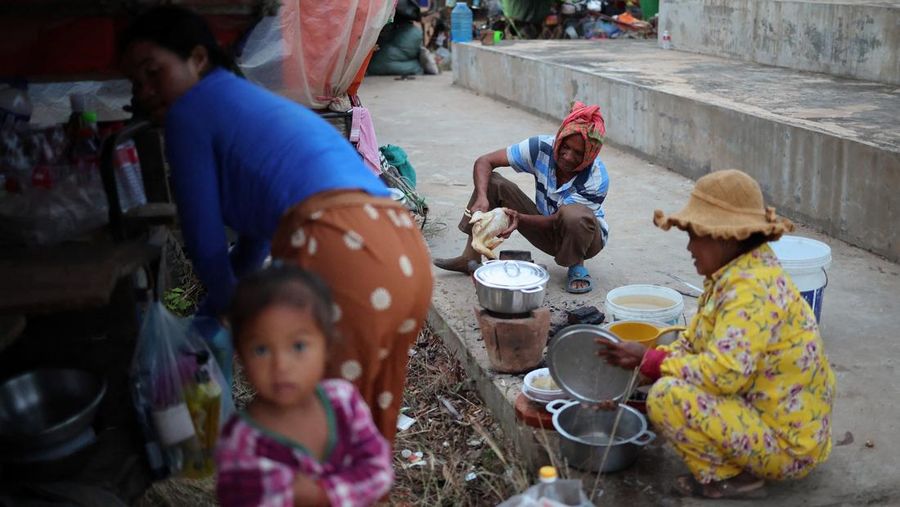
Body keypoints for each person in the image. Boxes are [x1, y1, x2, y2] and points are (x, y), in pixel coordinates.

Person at [119, 6, 433, 442]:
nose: (145, 91)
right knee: (363, 434)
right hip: (400, 249)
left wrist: (236, 319)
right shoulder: (242, 102)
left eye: (154, 71)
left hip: (345, 249)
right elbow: (254, 239)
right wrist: (222, 306)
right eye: (135, 83)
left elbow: (206, 245)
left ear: (197, 58)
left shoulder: (189, 111)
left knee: (319, 438)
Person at [596, 169, 836, 499]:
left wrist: (651, 362)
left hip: (788, 444)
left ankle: (731, 479)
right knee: (661, 384)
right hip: (772, 415)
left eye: (695, 235)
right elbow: (693, 346)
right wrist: (637, 377)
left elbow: (723, 374)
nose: (690, 247)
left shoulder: (749, 291)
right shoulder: (733, 274)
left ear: (725, 236)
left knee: (666, 397)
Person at [216, 263, 393, 506]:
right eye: (261, 349)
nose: (281, 366)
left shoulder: (343, 401)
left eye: (298, 346)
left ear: (328, 347)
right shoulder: (241, 442)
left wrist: (321, 494)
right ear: (241, 358)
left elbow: (379, 471)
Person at [433, 101, 609, 294]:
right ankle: (470, 257)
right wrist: (482, 197)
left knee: (572, 215)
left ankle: (576, 265)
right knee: (492, 182)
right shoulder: (541, 148)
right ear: (559, 138)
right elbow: (485, 161)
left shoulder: (596, 178)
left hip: (585, 238)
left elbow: (558, 220)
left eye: (578, 153)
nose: (567, 156)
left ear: (590, 156)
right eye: (565, 147)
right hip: (545, 227)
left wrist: (518, 218)